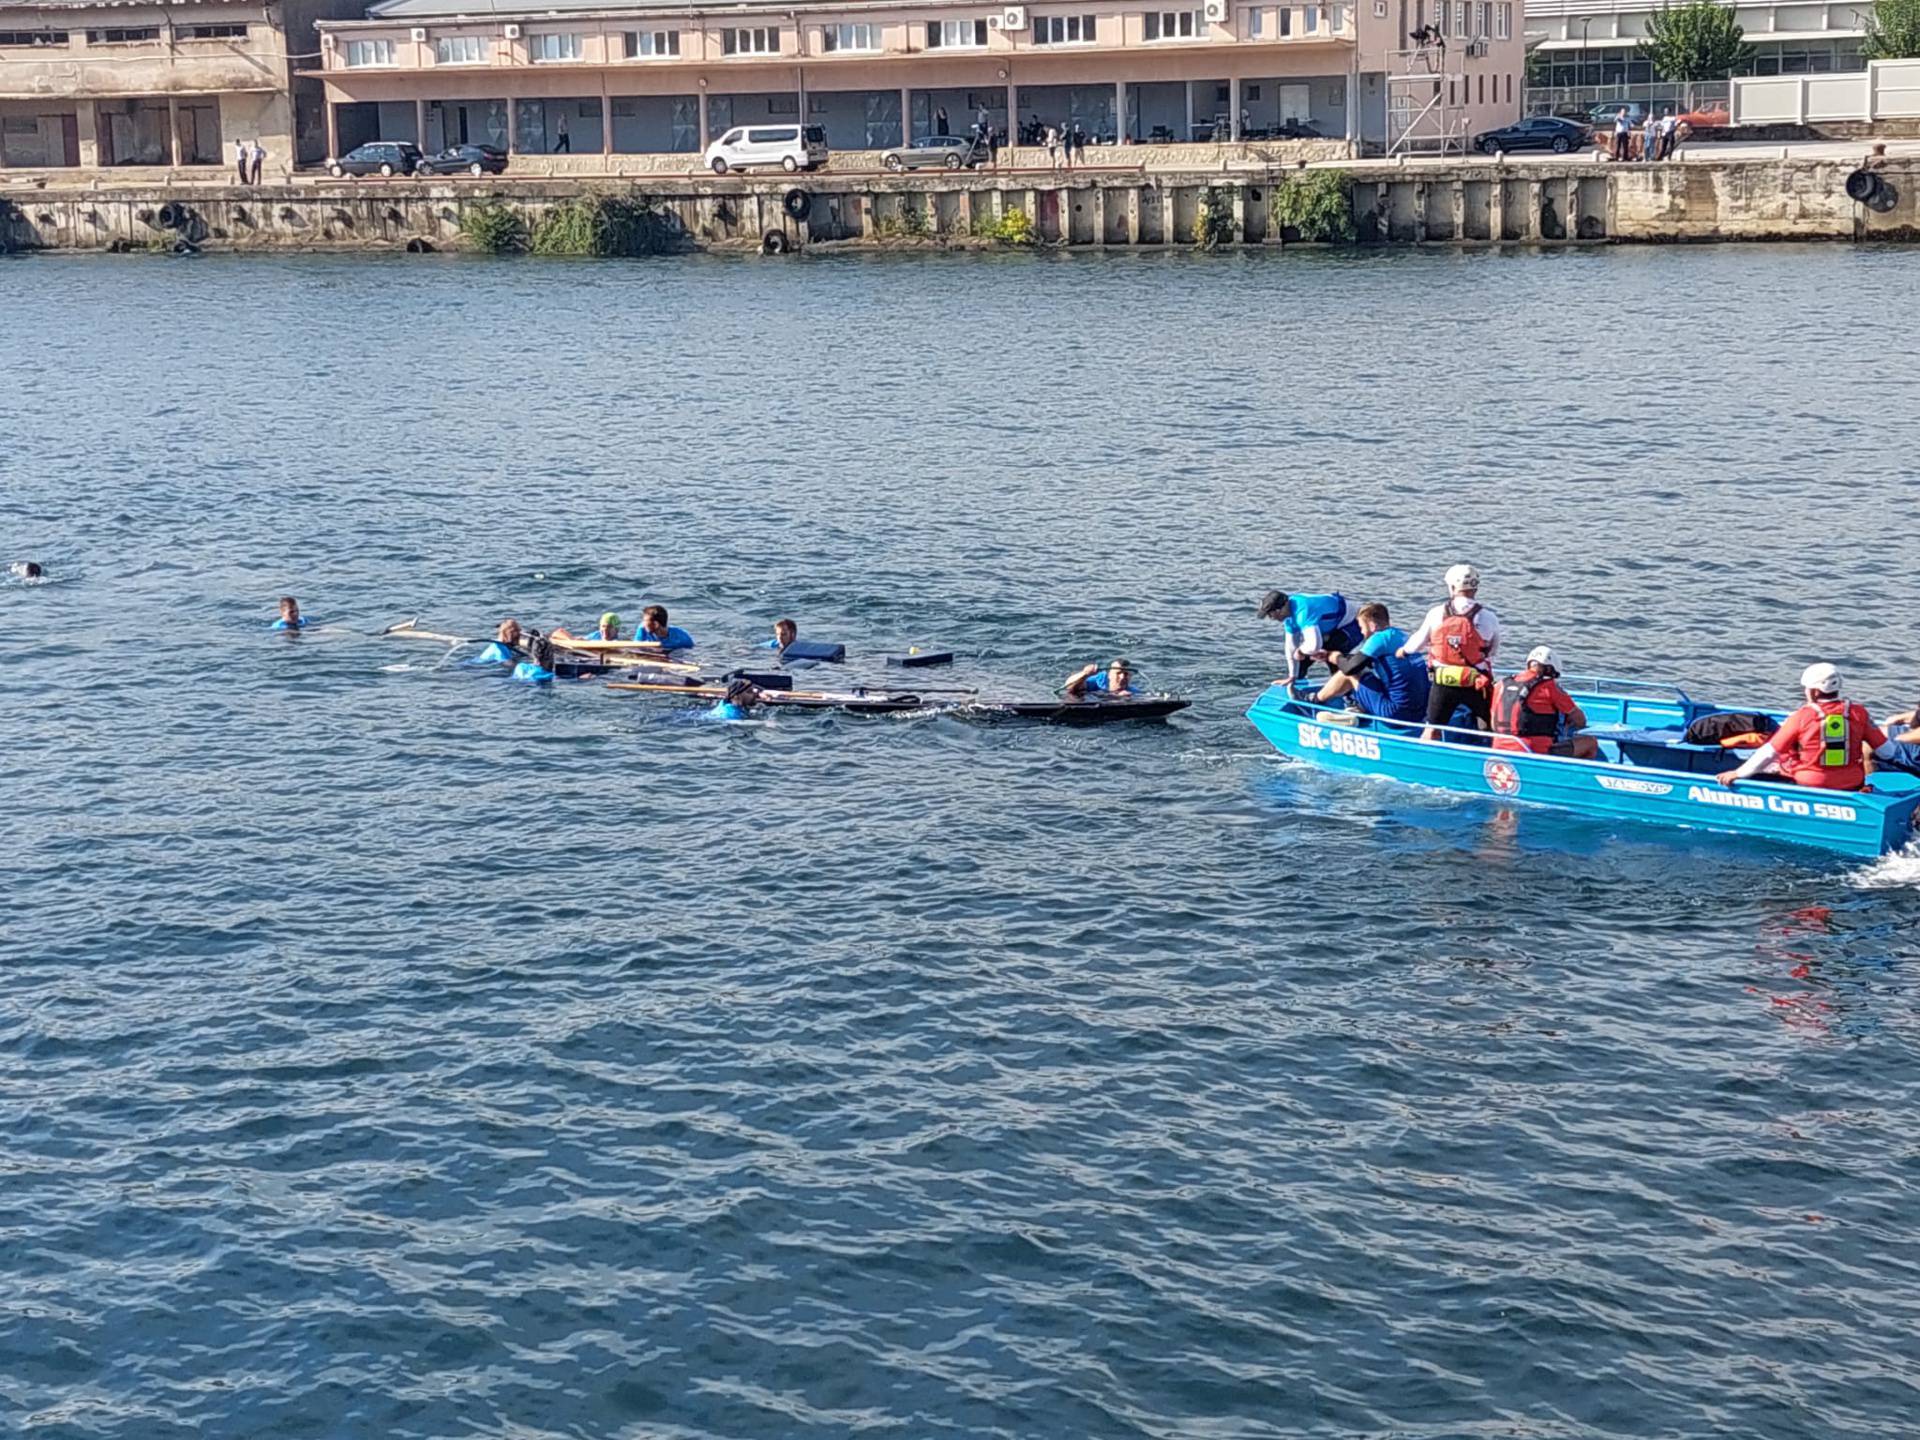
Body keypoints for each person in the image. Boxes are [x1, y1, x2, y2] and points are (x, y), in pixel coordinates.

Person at [1719, 664, 1905, 791]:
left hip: (1811, 784)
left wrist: (1737, 773)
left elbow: (1769, 752)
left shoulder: (1802, 716)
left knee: (1773, 764)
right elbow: (1887, 752)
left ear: (1814, 691)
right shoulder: (1859, 713)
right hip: (1852, 784)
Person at [1399, 563, 1502, 738]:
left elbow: (1418, 642)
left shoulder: (1436, 613)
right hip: (1475, 681)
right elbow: (1492, 650)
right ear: (1475, 588)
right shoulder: (1488, 617)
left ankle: (1425, 757)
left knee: (1432, 728)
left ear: (1452, 587)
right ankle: (1491, 757)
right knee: (1488, 724)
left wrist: (1403, 651)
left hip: (1444, 681)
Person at [1315, 602, 1430, 724]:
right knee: (1366, 672)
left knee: (1352, 674)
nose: (1362, 633)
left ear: (1372, 625)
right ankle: (1357, 710)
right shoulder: (1401, 636)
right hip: (1419, 712)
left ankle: (1314, 701)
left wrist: (1336, 657)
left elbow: (1349, 668)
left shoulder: (1379, 638)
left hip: (1395, 714)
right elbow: (1362, 660)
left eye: (1361, 628)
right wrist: (1329, 656)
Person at [1491, 646, 1599, 758]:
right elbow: (1580, 720)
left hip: (1499, 748)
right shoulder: (1549, 687)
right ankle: (1570, 775)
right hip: (1535, 751)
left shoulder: (1501, 685)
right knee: (1590, 743)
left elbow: (1493, 719)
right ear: (1550, 670)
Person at [1256, 589, 1362, 682]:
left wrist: (1300, 651)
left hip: (1355, 623)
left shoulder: (1303, 612)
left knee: (1332, 651)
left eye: (1270, 615)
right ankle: (1296, 687)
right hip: (1335, 625)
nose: (1271, 618)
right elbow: (1291, 647)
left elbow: (1314, 645)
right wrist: (1292, 676)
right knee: (1301, 661)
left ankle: (1349, 697)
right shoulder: (1289, 616)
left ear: (1279, 609)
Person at [1065, 658, 1137, 698]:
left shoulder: (1132, 691)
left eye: (1126, 674)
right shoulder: (1099, 680)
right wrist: (1085, 674)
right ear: (1109, 674)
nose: (1122, 677)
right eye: (1118, 673)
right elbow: (1069, 686)